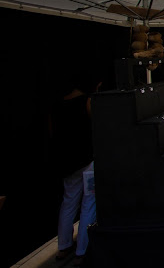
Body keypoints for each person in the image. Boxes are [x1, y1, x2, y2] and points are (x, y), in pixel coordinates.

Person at [51, 73, 101, 266]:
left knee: (68, 201)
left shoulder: (56, 106)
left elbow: (52, 134)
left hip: (67, 161)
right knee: (89, 203)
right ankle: (82, 249)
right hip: (87, 158)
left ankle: (63, 246)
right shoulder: (86, 102)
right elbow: (96, 125)